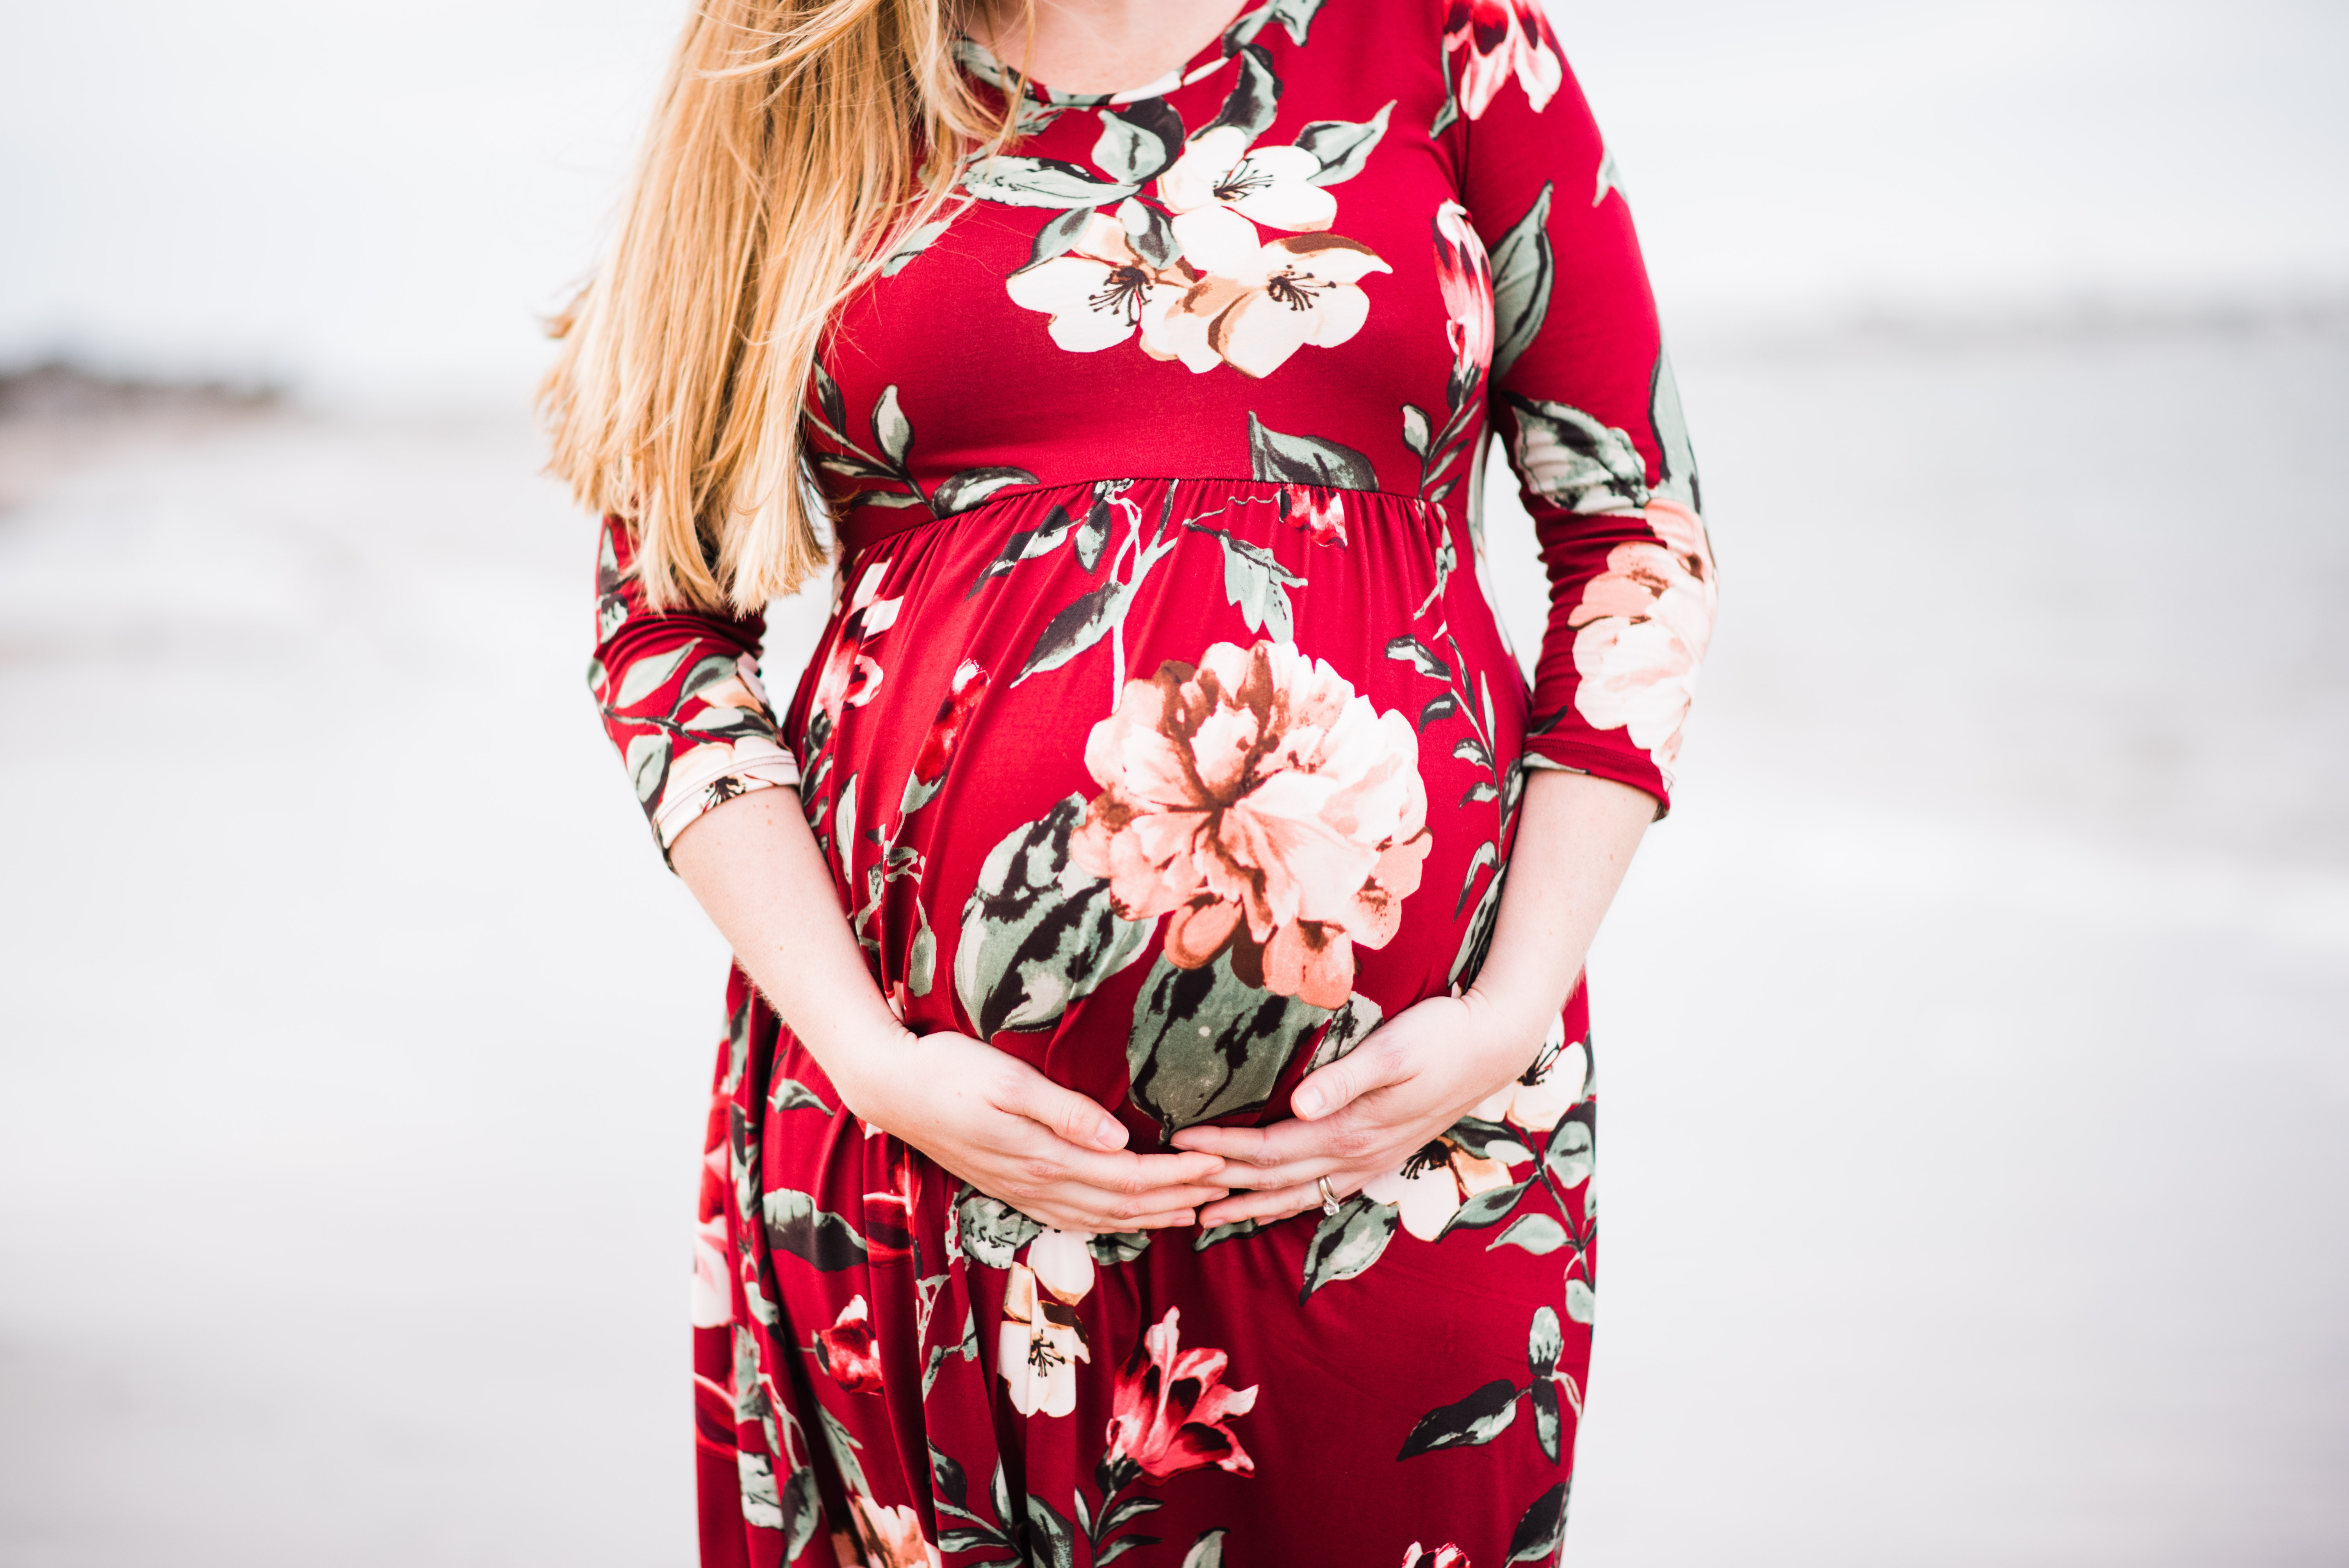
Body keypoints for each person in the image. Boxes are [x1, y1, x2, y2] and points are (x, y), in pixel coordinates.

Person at [542, 0, 1715, 1562]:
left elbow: (1633, 532)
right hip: (921, 1137)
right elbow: (665, 626)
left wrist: (1508, 1008)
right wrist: (870, 1057)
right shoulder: (796, 64)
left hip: (1412, 1145)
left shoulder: (1443, 39)